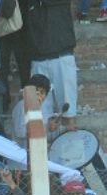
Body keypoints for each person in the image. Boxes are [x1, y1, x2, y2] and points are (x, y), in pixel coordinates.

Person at [25, 0, 78, 130]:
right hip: (38, 57)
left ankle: (71, 136)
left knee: (68, 110)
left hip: (61, 55)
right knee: (39, 114)